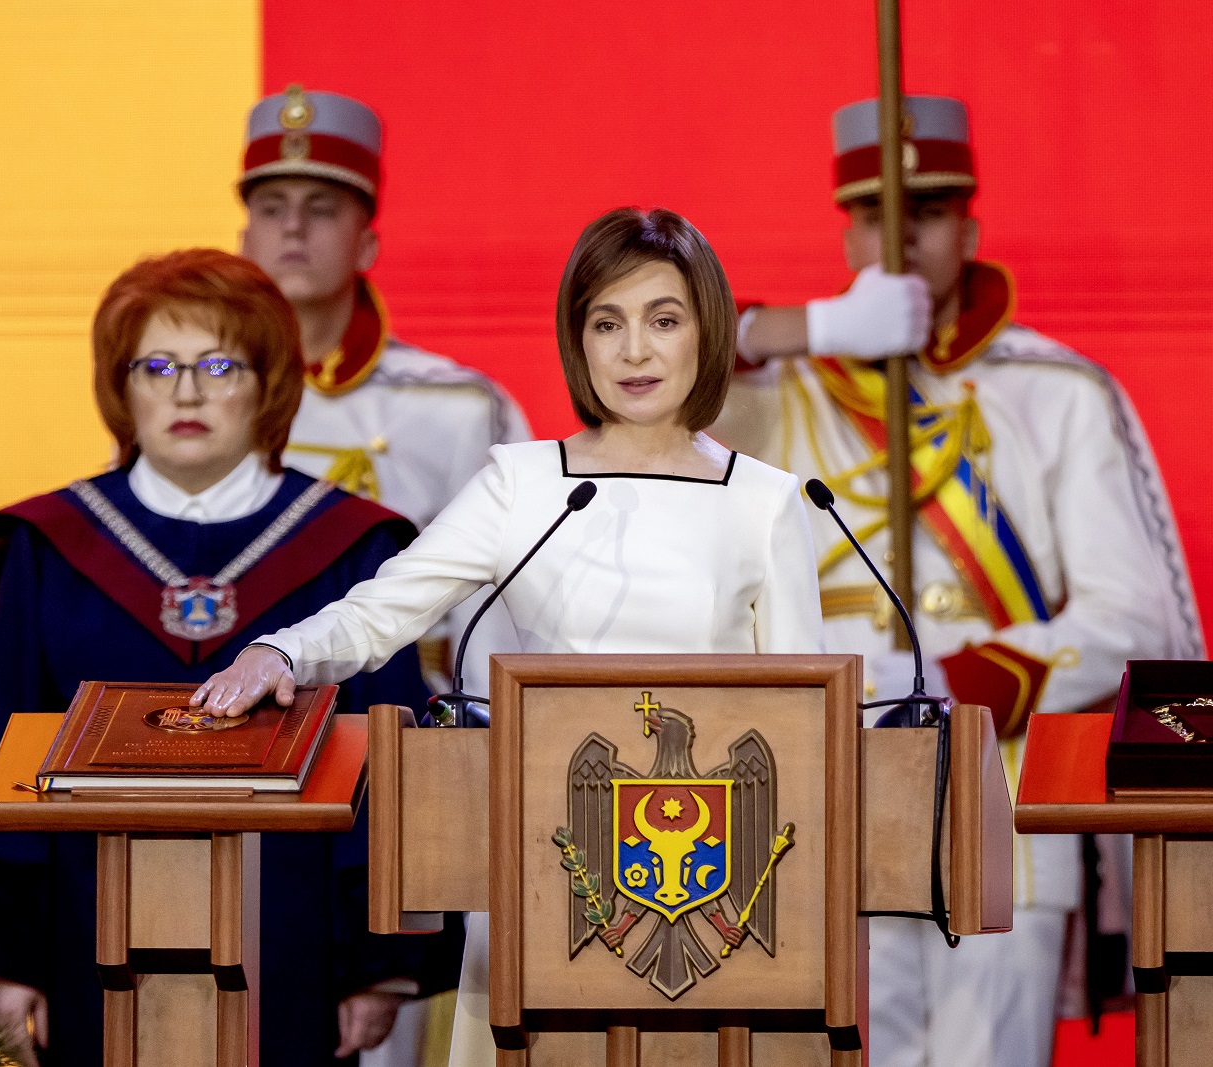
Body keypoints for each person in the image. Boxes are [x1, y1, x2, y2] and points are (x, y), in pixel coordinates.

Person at [191, 207, 826, 1066]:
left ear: (705, 334)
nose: (634, 350)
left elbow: (807, 729)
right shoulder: (525, 485)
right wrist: (283, 650)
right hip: (542, 861)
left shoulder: (769, 501)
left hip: (715, 892)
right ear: (578, 342)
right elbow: (385, 607)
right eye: (607, 323)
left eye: (662, 320)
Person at [711, 96, 1203, 1067]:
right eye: (875, 213)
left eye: (926, 212)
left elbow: (1131, 612)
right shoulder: (780, 389)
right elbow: (635, 376)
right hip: (829, 792)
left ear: (969, 227)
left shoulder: (1058, 393)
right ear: (845, 230)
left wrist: (955, 679)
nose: (899, 235)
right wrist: (797, 327)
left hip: (1004, 794)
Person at [0, 249, 463, 1067]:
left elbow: (392, 767)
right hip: (88, 943)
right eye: (157, 365)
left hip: (295, 949)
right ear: (122, 387)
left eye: (219, 364)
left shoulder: (351, 548)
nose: (186, 392)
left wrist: (381, 963)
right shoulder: (50, 546)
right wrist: (7, 958)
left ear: (270, 384)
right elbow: (5, 757)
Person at [237, 84, 532, 696]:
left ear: (367, 242)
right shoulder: (191, 396)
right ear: (243, 239)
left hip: (398, 720)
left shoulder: (461, 406)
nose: (293, 227)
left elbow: (501, 605)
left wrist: (481, 750)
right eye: (270, 207)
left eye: (321, 208)